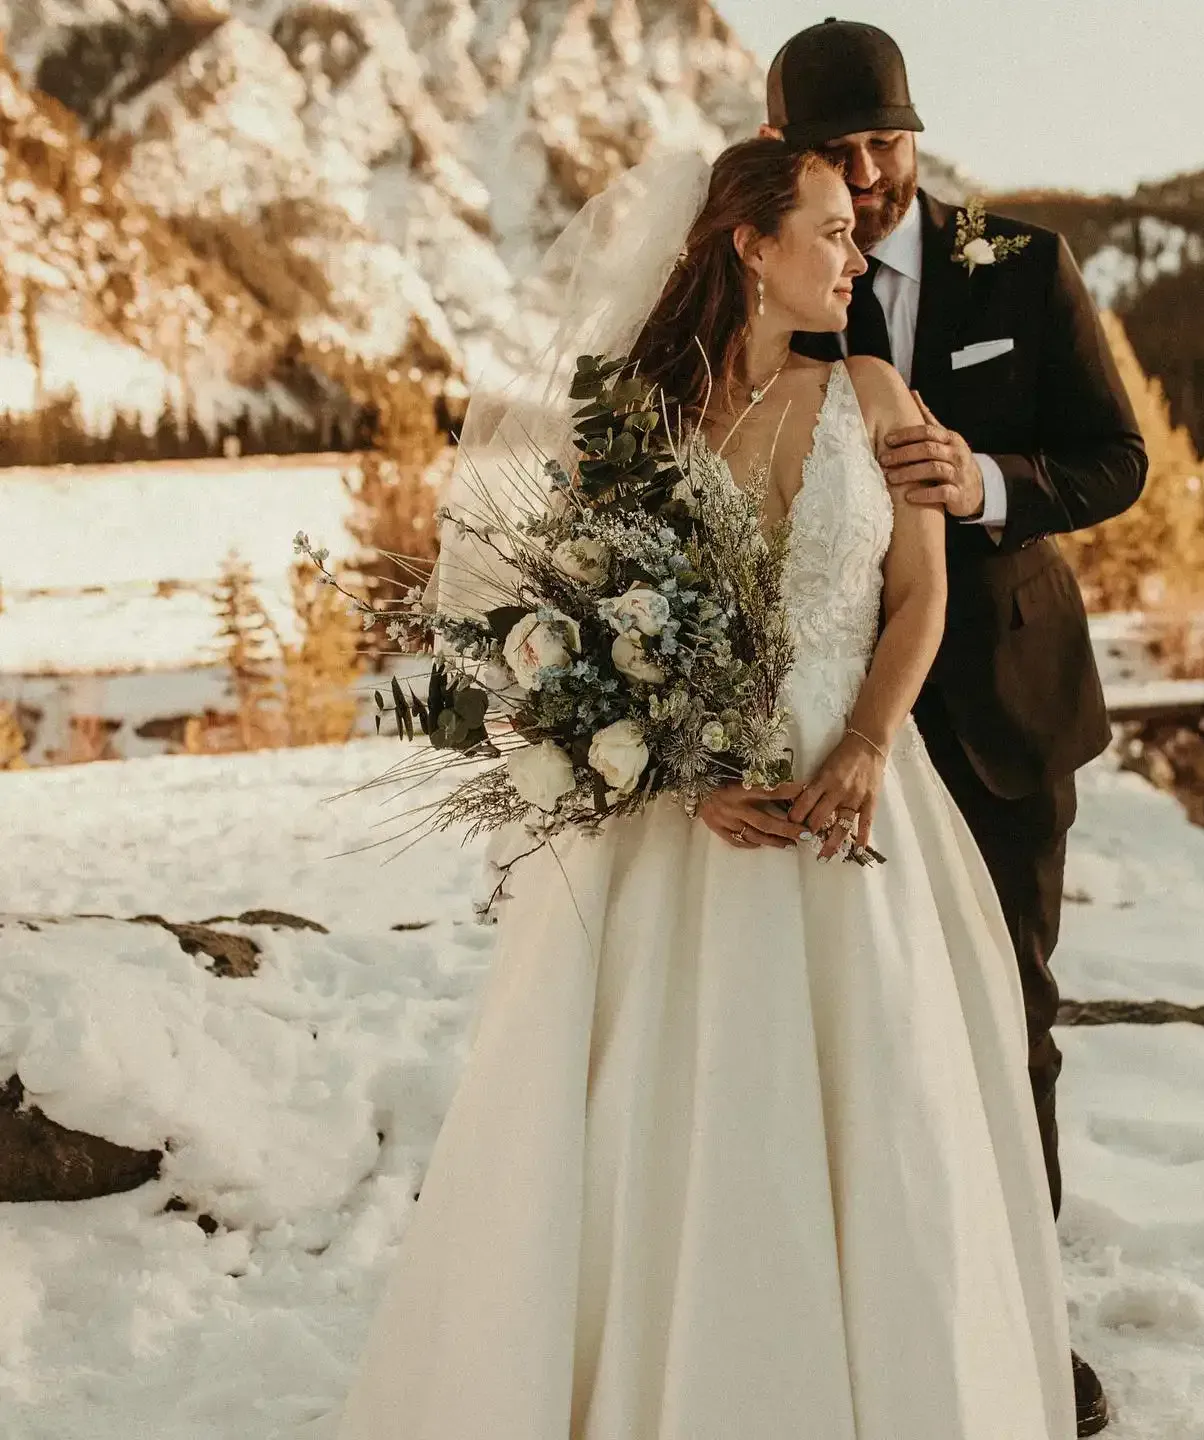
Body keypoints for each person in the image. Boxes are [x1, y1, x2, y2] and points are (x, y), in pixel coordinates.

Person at [321, 137, 1075, 1440]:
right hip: (691, 825)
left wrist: (867, 746)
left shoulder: (884, 394)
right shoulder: (639, 417)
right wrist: (675, 776)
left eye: (856, 233)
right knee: (669, 1130)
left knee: (876, 1117)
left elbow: (921, 595)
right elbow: (590, 629)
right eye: (831, 231)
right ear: (749, 243)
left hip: (855, 804)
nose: (855, 255)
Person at [766, 19, 1149, 1435]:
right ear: (788, 157)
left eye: (888, 141)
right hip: (824, 710)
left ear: (918, 133)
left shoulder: (1025, 268)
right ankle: (872, 1321)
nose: (868, 175)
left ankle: (1026, 1330)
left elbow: (1118, 460)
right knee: (861, 1028)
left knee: (1011, 1021)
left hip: (1002, 709)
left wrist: (986, 477)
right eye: (839, 151)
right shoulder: (786, 273)